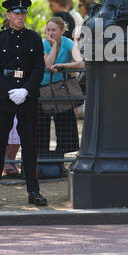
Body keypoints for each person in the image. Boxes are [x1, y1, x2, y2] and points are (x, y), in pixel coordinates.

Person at [0, 0, 47, 208]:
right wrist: (10, 90)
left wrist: (26, 90)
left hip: (26, 98)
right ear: (8, 15)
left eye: (23, 14)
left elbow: (39, 68)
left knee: (29, 146)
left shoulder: (34, 38)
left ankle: (33, 191)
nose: (21, 17)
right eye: (17, 14)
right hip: (4, 98)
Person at [36, 17, 85, 157]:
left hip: (60, 88)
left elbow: (81, 63)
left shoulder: (68, 42)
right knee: (42, 124)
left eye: (54, 30)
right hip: (42, 88)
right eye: (48, 30)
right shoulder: (43, 43)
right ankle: (42, 159)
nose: (50, 33)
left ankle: (61, 159)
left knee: (65, 124)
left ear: (62, 31)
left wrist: (63, 66)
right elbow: (48, 64)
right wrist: (52, 45)